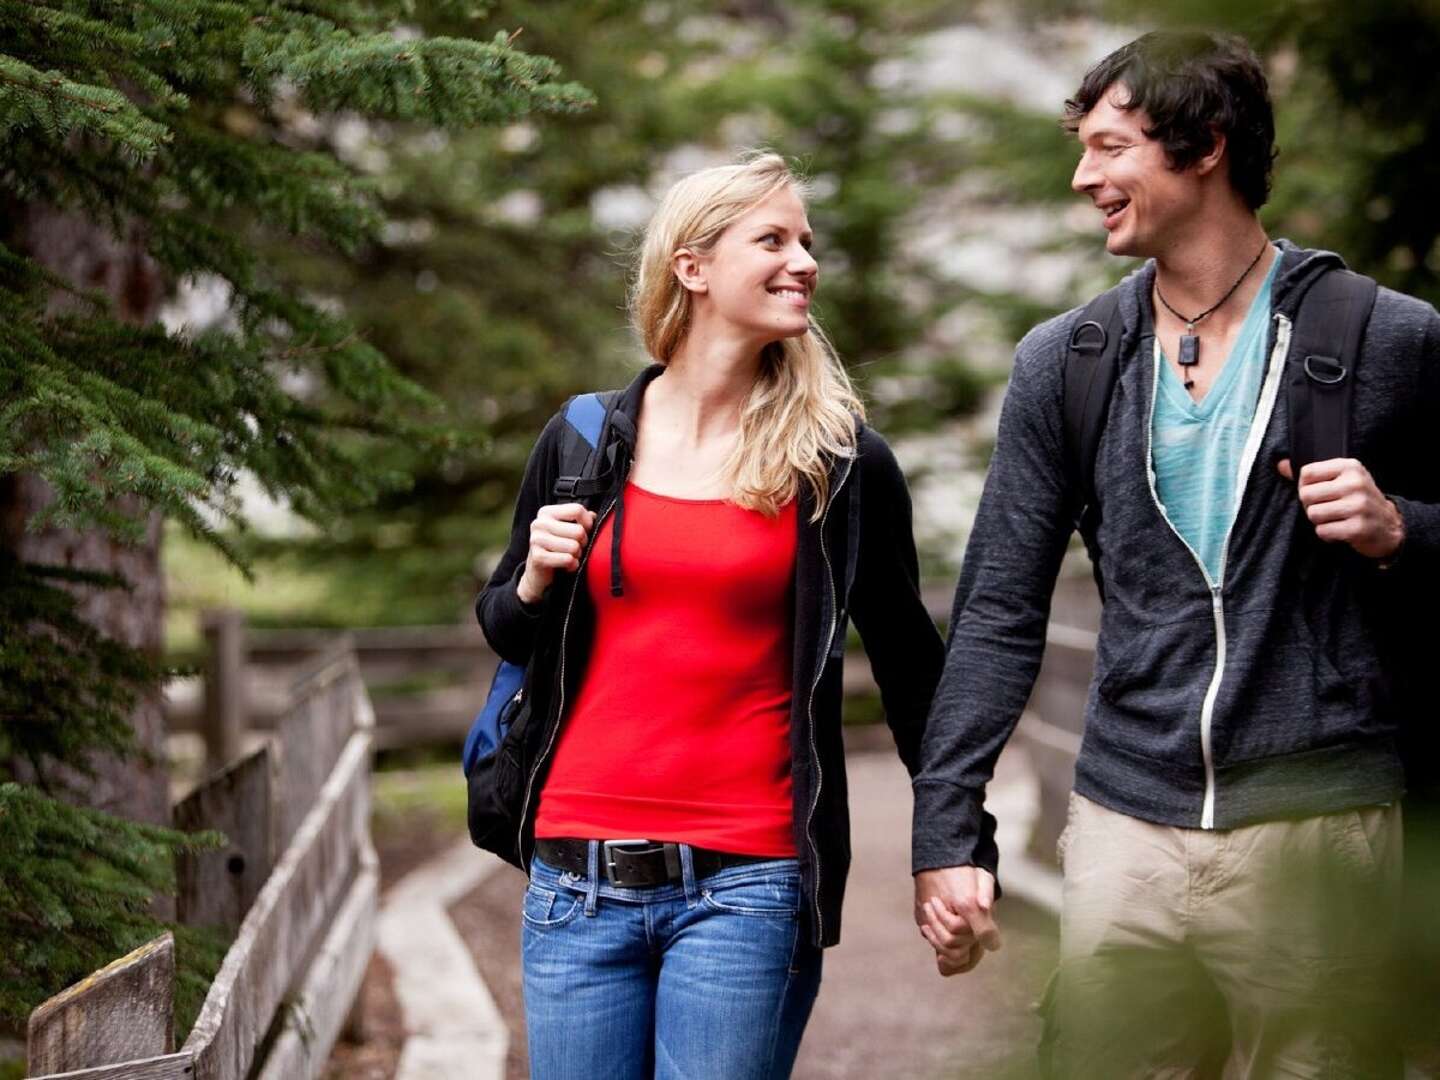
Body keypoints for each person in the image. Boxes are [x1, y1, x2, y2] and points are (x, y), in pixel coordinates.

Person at [911, 30, 1440, 1077]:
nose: (1083, 177)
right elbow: (999, 608)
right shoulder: (1067, 362)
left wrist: (1403, 531)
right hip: (1123, 823)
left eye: (1111, 147)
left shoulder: (1389, 339)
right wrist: (945, 828)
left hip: (1321, 821)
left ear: (1202, 145)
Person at [475, 152, 944, 1079]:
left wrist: (955, 845)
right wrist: (531, 578)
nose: (803, 260)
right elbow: (506, 630)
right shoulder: (581, 439)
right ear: (691, 267)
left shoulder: (839, 464)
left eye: (807, 241)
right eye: (771, 239)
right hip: (574, 881)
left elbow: (911, 668)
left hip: (749, 882)